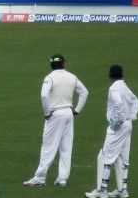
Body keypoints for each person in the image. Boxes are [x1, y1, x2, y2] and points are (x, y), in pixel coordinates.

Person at [24, 54, 89, 186]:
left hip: (55, 114)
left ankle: (40, 178)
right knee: (66, 146)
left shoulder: (50, 78)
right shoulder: (72, 77)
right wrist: (77, 109)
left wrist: (47, 112)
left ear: (51, 65)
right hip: (68, 113)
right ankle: (62, 179)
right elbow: (84, 92)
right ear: (63, 64)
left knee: (48, 145)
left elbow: (44, 94)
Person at [86, 65, 138, 198]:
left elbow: (118, 103)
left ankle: (102, 190)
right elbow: (135, 100)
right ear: (122, 74)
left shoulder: (114, 88)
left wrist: (118, 119)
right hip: (128, 125)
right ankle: (122, 190)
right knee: (123, 158)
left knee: (105, 157)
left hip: (119, 127)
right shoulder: (124, 86)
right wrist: (132, 115)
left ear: (110, 75)